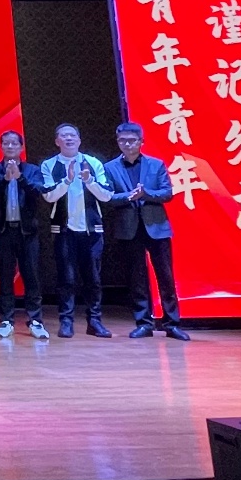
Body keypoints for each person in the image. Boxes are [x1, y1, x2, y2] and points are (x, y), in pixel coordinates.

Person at [104, 122, 189, 341]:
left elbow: (167, 193)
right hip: (128, 229)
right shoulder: (110, 167)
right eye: (122, 141)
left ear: (141, 141)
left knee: (165, 277)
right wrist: (128, 197)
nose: (127, 144)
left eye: (132, 140)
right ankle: (143, 323)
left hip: (157, 228)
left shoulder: (156, 164)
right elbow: (107, 197)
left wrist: (146, 193)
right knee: (136, 278)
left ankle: (172, 324)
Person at [40, 123, 113, 339]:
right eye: (64, 136)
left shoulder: (93, 163)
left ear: (79, 140)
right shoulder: (49, 165)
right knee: (66, 278)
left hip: (92, 231)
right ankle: (66, 321)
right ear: (57, 141)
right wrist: (67, 180)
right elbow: (49, 196)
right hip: (64, 230)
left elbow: (106, 195)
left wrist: (88, 180)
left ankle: (95, 321)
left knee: (93, 278)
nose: (69, 139)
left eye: (72, 135)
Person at [0, 131, 50, 340]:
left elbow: (37, 192)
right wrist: (5, 179)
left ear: (21, 147)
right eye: (6, 143)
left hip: (27, 231)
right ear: (1, 146)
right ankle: (6, 320)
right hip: (3, 230)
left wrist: (19, 178)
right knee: (5, 277)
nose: (10, 146)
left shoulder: (32, 170)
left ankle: (35, 320)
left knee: (31, 276)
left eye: (14, 143)